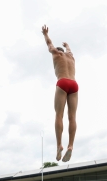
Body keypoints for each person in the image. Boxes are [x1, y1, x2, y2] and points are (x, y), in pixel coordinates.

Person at [42, 25, 78, 162]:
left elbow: (49, 44)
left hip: (62, 82)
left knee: (59, 115)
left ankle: (59, 146)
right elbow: (70, 51)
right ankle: (70, 146)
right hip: (74, 84)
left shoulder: (56, 53)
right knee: (72, 117)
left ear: (57, 51)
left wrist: (45, 34)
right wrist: (68, 45)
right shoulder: (71, 57)